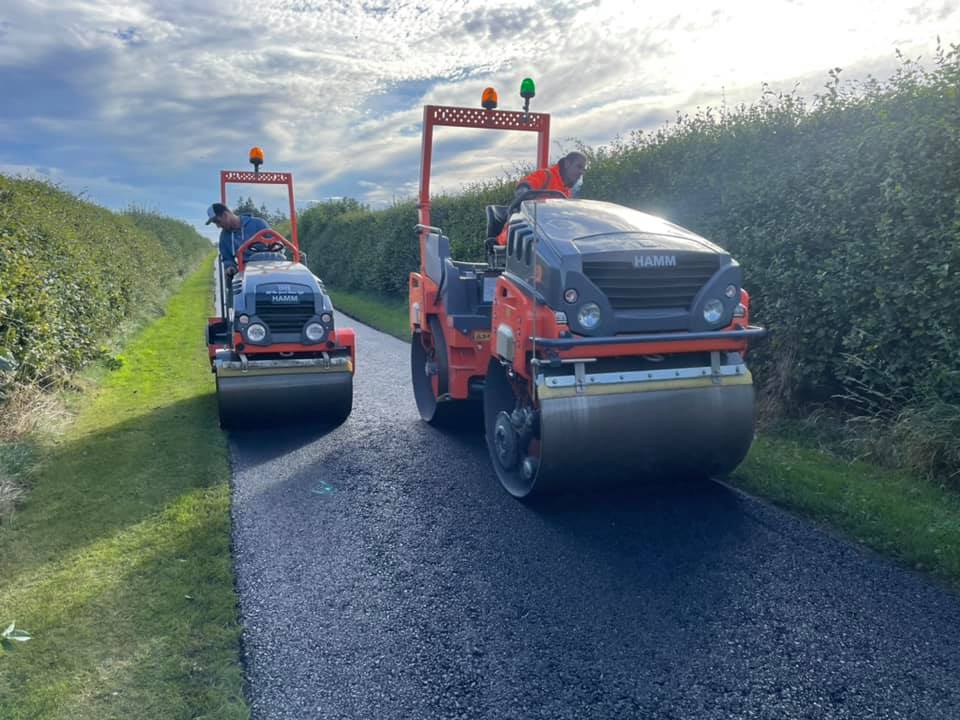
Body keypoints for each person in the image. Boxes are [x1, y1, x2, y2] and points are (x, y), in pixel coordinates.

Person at [495, 152, 587, 245]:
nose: (581, 172)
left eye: (583, 169)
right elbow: (524, 186)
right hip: (528, 231)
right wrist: (524, 191)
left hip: (548, 235)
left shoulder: (567, 191)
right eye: (578, 167)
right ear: (567, 164)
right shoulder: (546, 175)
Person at [205, 202, 270, 280]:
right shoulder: (224, 236)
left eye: (218, 221)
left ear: (225, 215)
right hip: (245, 273)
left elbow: (276, 244)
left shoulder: (258, 224)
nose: (218, 226)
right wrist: (230, 267)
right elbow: (227, 258)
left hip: (268, 268)